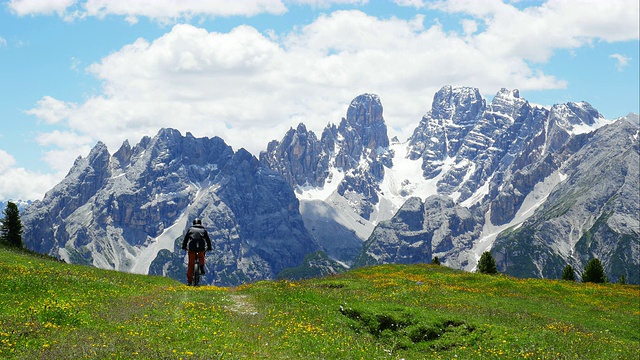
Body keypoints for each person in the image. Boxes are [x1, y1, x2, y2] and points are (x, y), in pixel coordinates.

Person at [181, 218, 212, 285]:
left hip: (192, 248)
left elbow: (186, 239)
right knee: (201, 255)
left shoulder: (190, 229)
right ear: (200, 223)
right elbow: (208, 240)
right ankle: (202, 267)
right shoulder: (203, 230)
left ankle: (189, 282)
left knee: (191, 264)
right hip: (201, 247)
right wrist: (209, 247)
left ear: (193, 223)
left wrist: (184, 246)